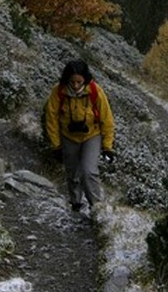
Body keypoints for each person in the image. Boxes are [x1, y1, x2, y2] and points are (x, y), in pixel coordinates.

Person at [44, 59, 115, 214]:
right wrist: (56, 145)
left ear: (85, 79)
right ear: (67, 79)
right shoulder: (58, 91)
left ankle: (97, 208)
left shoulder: (96, 92)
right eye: (72, 81)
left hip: (92, 135)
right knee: (73, 172)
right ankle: (76, 203)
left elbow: (107, 119)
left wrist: (108, 146)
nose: (75, 85)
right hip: (68, 136)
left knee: (89, 171)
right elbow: (51, 118)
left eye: (79, 81)